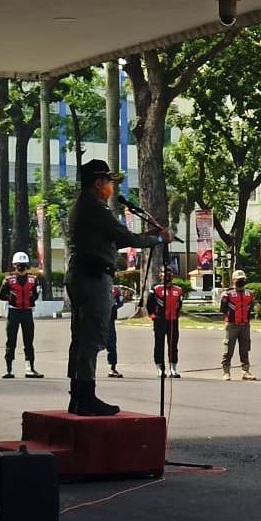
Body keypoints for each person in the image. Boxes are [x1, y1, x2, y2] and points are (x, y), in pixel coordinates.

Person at [66, 159, 170, 416]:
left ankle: (78, 395)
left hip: (81, 274)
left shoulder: (84, 207)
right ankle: (86, 397)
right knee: (92, 337)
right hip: (92, 277)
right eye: (109, 182)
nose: (111, 187)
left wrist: (145, 237)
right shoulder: (96, 209)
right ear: (99, 183)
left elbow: (115, 238)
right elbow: (124, 237)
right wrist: (156, 238)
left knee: (80, 339)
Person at [0, 252, 43, 379]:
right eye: (19, 265)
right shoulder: (8, 280)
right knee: (11, 341)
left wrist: (31, 298)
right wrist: (11, 297)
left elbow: (35, 295)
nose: (21, 267)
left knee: (29, 342)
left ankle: (30, 369)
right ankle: (10, 370)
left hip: (27, 313)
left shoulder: (33, 279)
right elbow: (1, 295)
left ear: (27, 265)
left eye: (23, 265)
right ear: (14, 265)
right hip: (14, 312)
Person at [220, 269, 256, 381]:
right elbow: (223, 310)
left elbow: (251, 308)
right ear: (233, 280)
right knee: (228, 349)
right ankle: (226, 372)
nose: (241, 281)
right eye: (238, 279)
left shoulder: (249, 294)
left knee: (245, 349)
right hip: (231, 325)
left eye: (243, 279)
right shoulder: (227, 294)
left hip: (245, 325)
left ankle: (245, 371)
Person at [147, 265, 183, 378]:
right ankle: (160, 369)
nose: (167, 274)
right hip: (160, 321)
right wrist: (152, 314)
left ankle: (173, 368)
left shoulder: (178, 289)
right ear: (160, 275)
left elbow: (179, 304)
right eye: (164, 272)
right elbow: (149, 303)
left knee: (173, 345)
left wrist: (176, 315)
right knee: (159, 344)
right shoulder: (156, 288)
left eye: (169, 272)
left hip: (173, 321)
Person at [106, 283, 125, 378]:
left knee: (111, 345)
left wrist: (113, 306)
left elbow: (121, 301)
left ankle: (112, 368)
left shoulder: (115, 290)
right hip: (96, 320)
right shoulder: (96, 286)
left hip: (110, 320)